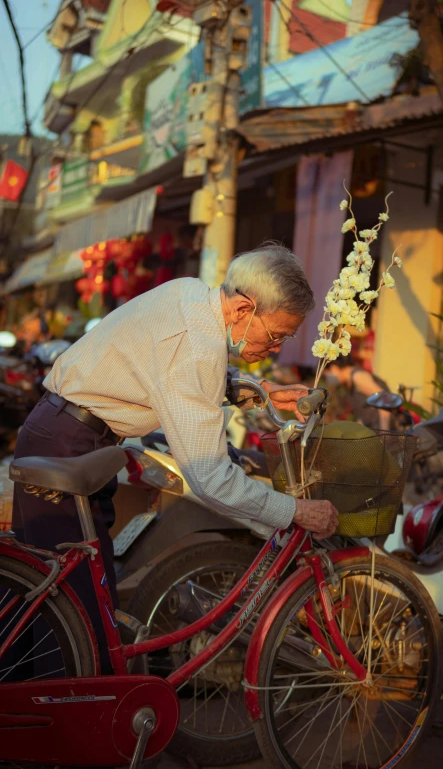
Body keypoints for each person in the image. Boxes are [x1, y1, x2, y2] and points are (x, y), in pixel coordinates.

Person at [12, 242, 338, 672]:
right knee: (70, 617)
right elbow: (211, 477)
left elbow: (168, 367)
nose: (277, 348)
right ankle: (57, 725)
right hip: (70, 444)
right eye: (276, 335)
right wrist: (294, 510)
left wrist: (264, 393)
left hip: (70, 434)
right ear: (243, 309)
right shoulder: (199, 346)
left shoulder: (190, 293)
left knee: (61, 597)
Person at [324, 353, 391, 430]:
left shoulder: (357, 377)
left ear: (334, 368)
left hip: (385, 431)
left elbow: (385, 400)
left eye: (327, 374)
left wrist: (385, 433)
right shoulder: (349, 384)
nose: (328, 379)